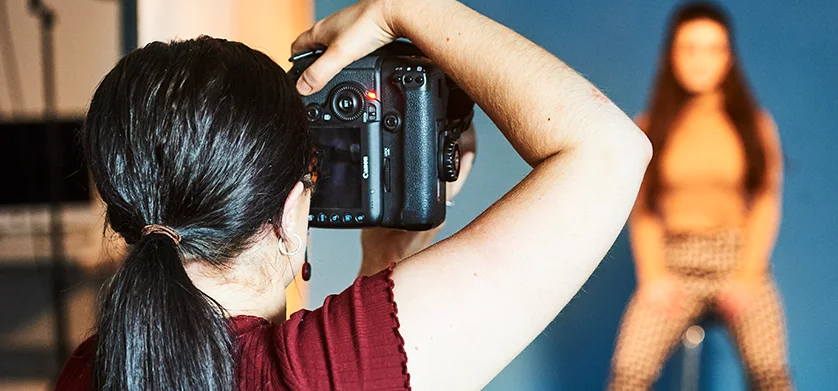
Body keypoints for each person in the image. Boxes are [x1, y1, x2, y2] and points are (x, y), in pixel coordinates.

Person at [55, 0, 651, 390]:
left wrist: (384, 266)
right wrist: (406, 8)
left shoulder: (87, 369)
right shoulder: (320, 371)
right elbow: (612, 150)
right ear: (290, 211)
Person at [607, 3, 792, 390]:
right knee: (627, 374)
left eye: (714, 49)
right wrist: (654, 275)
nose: (701, 61)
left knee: (772, 375)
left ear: (729, 57)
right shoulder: (649, 126)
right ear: (670, 54)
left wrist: (747, 275)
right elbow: (642, 210)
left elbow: (765, 203)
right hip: (673, 265)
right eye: (689, 48)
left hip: (739, 261)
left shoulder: (755, 125)